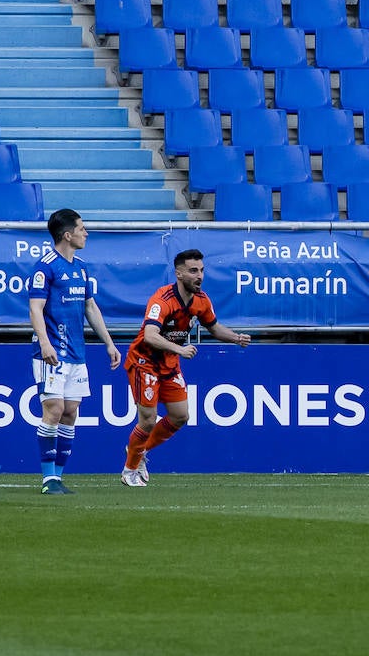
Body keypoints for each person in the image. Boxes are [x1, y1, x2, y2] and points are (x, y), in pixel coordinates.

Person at [121, 249, 251, 486]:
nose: (199, 276)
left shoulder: (202, 300)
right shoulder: (162, 300)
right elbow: (150, 335)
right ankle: (130, 469)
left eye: (201, 270)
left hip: (169, 363)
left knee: (180, 416)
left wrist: (236, 338)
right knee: (148, 420)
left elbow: (214, 327)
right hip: (144, 362)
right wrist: (180, 349)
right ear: (179, 274)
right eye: (193, 271)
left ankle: (138, 451)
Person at [27, 209, 122, 495]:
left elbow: (90, 308)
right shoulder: (45, 267)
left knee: (70, 412)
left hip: (77, 352)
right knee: (53, 409)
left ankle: (58, 476)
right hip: (53, 350)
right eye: (82, 228)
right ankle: (47, 479)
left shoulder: (80, 267)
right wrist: (44, 343)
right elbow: (35, 308)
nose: (86, 233)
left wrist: (109, 343)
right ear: (67, 235)